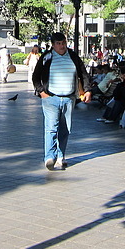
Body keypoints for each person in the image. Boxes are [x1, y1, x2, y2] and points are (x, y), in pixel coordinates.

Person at [33, 32, 93, 170]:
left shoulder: (72, 56)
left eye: (63, 43)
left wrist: (88, 90)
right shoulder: (47, 57)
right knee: (51, 129)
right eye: (58, 44)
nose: (62, 46)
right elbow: (36, 76)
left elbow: (83, 73)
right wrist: (42, 92)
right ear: (53, 45)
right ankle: (49, 157)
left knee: (65, 129)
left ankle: (60, 155)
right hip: (51, 98)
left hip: (68, 99)